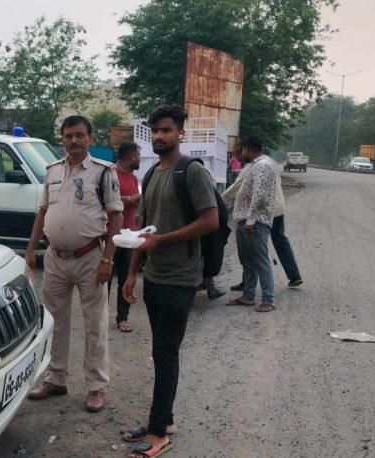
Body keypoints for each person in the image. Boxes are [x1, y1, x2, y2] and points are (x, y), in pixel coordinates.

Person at [119, 105, 219, 457]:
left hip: (181, 277)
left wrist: (162, 241)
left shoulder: (192, 171)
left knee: (165, 351)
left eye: (166, 130)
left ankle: (158, 433)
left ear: (180, 133)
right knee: (160, 350)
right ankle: (166, 419)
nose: (159, 136)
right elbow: (143, 229)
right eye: (155, 131)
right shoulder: (150, 174)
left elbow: (210, 221)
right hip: (155, 276)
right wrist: (132, 273)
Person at [25, 115, 124, 412]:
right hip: (55, 258)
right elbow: (42, 212)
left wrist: (108, 259)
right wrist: (30, 250)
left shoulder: (103, 172)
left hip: (90, 257)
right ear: (62, 139)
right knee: (54, 321)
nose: (74, 141)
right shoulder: (52, 171)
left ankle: (96, 386)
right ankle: (56, 379)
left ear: (90, 138)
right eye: (68, 136)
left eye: (80, 135)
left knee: (95, 324)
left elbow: (116, 216)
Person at [222, 148, 303, 289]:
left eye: (238, 154)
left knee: (253, 248)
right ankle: (294, 275)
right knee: (280, 240)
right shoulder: (269, 162)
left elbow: (237, 186)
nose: (237, 158)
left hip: (263, 210)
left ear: (246, 151)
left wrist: (220, 200)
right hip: (278, 207)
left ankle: (253, 286)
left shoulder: (254, 165)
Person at [224, 136, 277, 312]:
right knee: (247, 261)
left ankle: (268, 300)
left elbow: (259, 195)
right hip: (245, 219)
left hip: (254, 222)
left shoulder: (263, 165)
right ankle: (248, 295)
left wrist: (251, 220)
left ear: (248, 149)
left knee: (260, 261)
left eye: (241, 151)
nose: (239, 155)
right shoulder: (255, 165)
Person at [110, 141, 141, 333]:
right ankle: (98, 316)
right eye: (138, 155)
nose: (139, 159)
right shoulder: (111, 175)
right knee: (104, 279)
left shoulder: (133, 178)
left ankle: (122, 317)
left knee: (126, 278)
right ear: (131, 156)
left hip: (129, 236)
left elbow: (135, 204)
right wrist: (129, 200)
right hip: (112, 236)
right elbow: (104, 199)